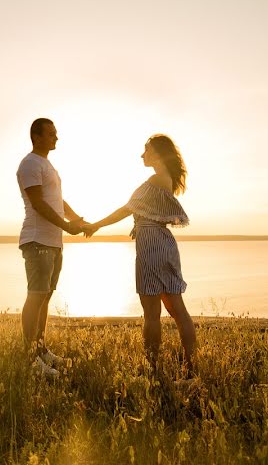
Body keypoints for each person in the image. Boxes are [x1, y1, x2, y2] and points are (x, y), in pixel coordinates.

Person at [82, 134, 197, 378]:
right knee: (178, 309)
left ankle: (153, 367)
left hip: (151, 245)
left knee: (152, 313)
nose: (142, 155)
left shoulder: (154, 180)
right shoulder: (166, 180)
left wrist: (96, 225)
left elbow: (125, 209)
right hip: (164, 244)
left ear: (157, 153)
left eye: (146, 150)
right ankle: (190, 365)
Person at [17, 117, 87, 378]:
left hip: (54, 242)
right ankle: (30, 360)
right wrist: (67, 227)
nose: (56, 138)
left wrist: (76, 220)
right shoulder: (30, 164)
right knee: (35, 296)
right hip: (37, 240)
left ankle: (41, 349)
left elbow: (57, 200)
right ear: (36, 137)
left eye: (55, 134)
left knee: (45, 296)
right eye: (51, 134)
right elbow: (37, 204)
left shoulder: (47, 165)